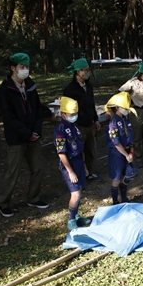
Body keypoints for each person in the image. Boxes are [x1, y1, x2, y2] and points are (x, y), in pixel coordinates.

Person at [0, 52, 49, 217]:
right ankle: (3, 203)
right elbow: (9, 117)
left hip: (33, 135)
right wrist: (26, 133)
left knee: (37, 168)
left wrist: (36, 131)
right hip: (17, 138)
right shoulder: (5, 90)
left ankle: (33, 197)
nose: (25, 70)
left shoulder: (31, 86)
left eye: (27, 67)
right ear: (13, 68)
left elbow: (38, 110)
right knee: (14, 171)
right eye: (22, 67)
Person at [54, 97, 91, 229]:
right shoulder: (60, 129)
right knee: (75, 194)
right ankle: (71, 219)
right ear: (63, 114)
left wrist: (84, 165)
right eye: (71, 114)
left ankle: (76, 215)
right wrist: (70, 171)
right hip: (69, 164)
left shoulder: (74, 126)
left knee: (79, 190)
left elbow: (80, 147)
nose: (74, 116)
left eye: (75, 114)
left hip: (79, 162)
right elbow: (61, 153)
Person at [63, 58, 102, 181]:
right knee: (78, 151)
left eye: (87, 70)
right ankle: (79, 175)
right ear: (78, 72)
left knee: (90, 150)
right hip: (77, 125)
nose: (87, 72)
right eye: (84, 70)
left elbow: (91, 103)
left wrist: (95, 119)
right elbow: (67, 109)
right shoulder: (70, 89)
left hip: (89, 123)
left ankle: (90, 173)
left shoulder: (88, 85)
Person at [105, 91, 136, 205]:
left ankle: (124, 198)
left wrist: (131, 152)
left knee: (126, 176)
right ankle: (115, 201)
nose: (127, 109)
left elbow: (130, 138)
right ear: (117, 107)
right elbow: (116, 143)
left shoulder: (126, 119)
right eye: (125, 107)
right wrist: (126, 155)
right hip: (117, 154)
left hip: (127, 152)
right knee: (117, 178)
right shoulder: (113, 123)